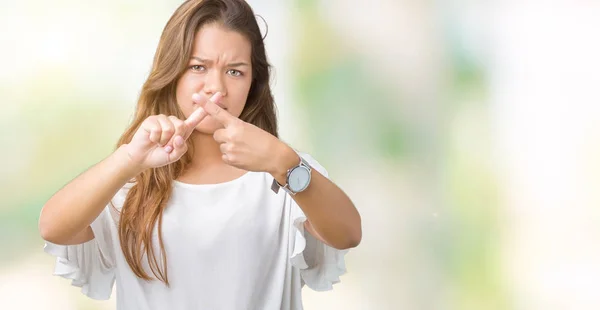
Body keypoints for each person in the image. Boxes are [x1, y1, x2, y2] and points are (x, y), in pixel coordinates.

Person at [38, 0, 362, 309]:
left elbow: (347, 234)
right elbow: (53, 228)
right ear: (172, 73)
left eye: (235, 71)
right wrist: (129, 160)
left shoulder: (288, 171)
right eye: (198, 67)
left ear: (253, 82)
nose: (215, 88)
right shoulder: (130, 180)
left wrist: (282, 161)